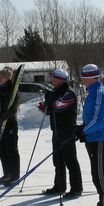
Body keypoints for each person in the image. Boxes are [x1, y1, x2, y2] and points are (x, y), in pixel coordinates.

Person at [76, 64, 104, 206]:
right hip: (93, 137)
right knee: (99, 173)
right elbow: (91, 118)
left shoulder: (99, 93)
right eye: (82, 77)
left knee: (99, 175)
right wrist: (82, 129)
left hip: (98, 138)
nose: (83, 80)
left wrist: (83, 130)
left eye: (85, 78)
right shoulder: (92, 92)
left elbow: (98, 120)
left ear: (93, 77)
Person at [39, 69, 83, 198]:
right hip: (57, 131)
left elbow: (59, 106)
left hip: (67, 131)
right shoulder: (56, 92)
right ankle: (59, 186)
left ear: (60, 79)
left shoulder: (69, 93)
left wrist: (50, 101)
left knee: (70, 160)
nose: (52, 80)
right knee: (57, 160)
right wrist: (46, 106)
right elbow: (51, 110)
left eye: (54, 78)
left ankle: (76, 188)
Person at [0, 66, 20, 185]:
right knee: (2, 149)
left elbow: (14, 108)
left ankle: (14, 175)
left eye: (1, 76)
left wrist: (3, 117)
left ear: (7, 78)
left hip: (10, 123)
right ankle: (7, 174)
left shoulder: (12, 89)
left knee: (11, 149)